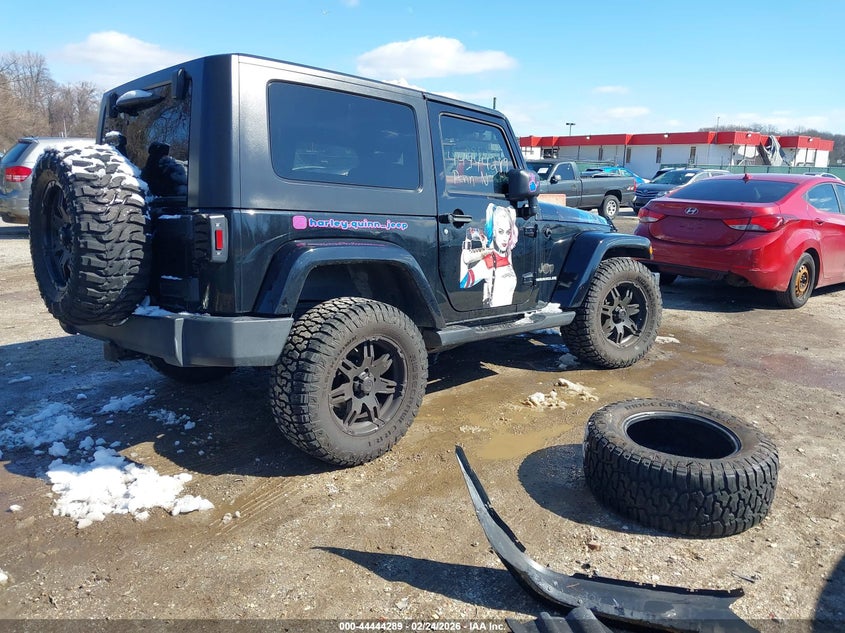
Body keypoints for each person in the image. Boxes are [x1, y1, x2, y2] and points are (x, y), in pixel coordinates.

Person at [459, 203, 518, 307]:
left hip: (508, 314)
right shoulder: (489, 261)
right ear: (494, 232)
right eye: (500, 232)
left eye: (508, 232)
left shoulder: (508, 255)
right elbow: (464, 282)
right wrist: (466, 248)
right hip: (495, 316)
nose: (505, 237)